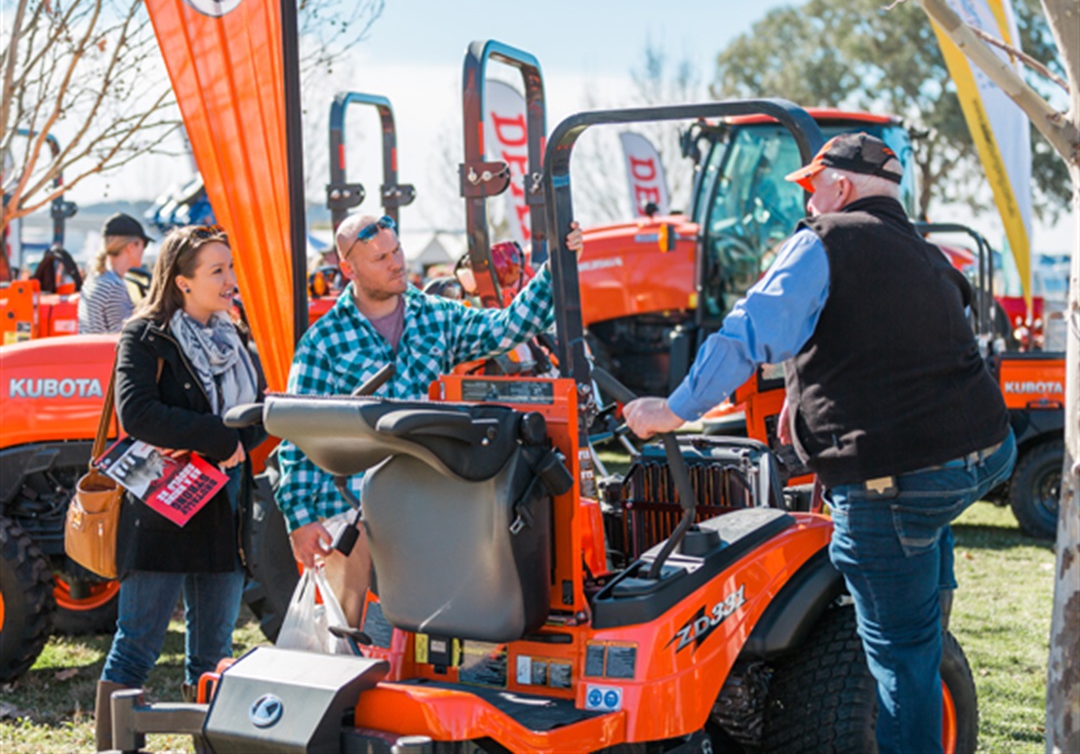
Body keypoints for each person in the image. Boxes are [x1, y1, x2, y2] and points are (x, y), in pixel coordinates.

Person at [624, 133, 1016, 754]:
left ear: (841, 186)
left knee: (900, 658)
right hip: (984, 454)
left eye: (813, 186)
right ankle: (929, 616)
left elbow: (746, 334)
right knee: (923, 557)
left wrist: (670, 411)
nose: (808, 200)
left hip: (894, 478)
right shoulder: (926, 254)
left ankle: (917, 671)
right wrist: (798, 397)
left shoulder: (822, 241)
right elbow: (890, 346)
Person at [275, 212, 582, 611]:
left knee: (430, 626)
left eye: (397, 250)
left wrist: (555, 265)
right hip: (350, 510)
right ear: (349, 269)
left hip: (426, 497)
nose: (397, 262)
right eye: (380, 257)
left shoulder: (436, 316)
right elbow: (301, 429)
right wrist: (299, 517)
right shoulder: (324, 341)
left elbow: (506, 328)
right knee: (352, 635)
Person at [95, 225, 266, 751]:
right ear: (183, 281)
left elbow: (260, 409)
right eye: (218, 270)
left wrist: (236, 440)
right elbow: (139, 412)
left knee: (214, 653)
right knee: (137, 646)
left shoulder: (235, 334)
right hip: (163, 510)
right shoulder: (145, 335)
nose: (231, 279)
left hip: (224, 511)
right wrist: (220, 438)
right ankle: (116, 746)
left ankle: (209, 746)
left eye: (231, 268)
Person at [78, 213, 153, 334]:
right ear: (131, 247)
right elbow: (125, 336)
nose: (144, 251)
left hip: (90, 351)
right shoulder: (114, 287)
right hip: (103, 352)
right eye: (143, 245)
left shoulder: (95, 278)